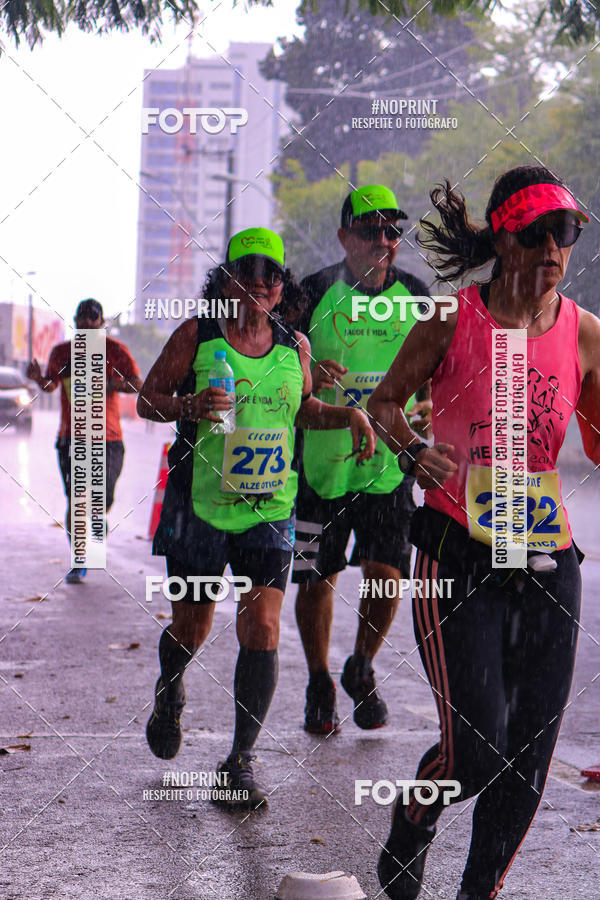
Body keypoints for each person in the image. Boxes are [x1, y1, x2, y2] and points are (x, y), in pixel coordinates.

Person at [368, 165, 600, 899]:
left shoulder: (586, 333)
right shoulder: (449, 319)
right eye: (536, 234)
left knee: (529, 755)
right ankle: (414, 816)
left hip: (545, 558)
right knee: (476, 754)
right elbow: (383, 406)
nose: (553, 249)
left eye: (563, 233)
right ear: (504, 239)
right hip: (457, 554)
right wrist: (412, 449)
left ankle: (478, 893)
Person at [137, 227, 375, 809]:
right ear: (228, 278)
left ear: (280, 285)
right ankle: (171, 690)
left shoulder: (295, 346)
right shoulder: (197, 334)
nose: (264, 282)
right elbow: (147, 400)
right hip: (200, 507)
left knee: (263, 628)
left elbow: (303, 411)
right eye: (251, 269)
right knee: (192, 627)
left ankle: (239, 760)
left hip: (269, 507)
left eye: (274, 273)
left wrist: (348, 418)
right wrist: (189, 406)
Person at [288, 184, 431, 734]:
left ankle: (361, 666)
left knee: (387, 575)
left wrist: (428, 410)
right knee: (315, 579)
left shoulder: (417, 296)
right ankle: (320, 681)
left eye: (392, 231)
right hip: (322, 468)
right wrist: (307, 376)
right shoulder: (315, 290)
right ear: (345, 235)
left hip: (389, 465)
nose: (382, 240)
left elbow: (433, 374)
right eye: (369, 230)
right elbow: (279, 362)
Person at [27, 298, 142, 584]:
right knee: (77, 501)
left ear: (101, 323)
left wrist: (109, 384)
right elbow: (51, 386)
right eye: (83, 318)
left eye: (94, 318)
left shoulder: (115, 351)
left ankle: (98, 514)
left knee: (103, 496)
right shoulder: (62, 353)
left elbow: (137, 383)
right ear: (76, 321)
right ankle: (79, 560)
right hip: (71, 438)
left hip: (109, 439)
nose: (88, 323)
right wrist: (37, 379)